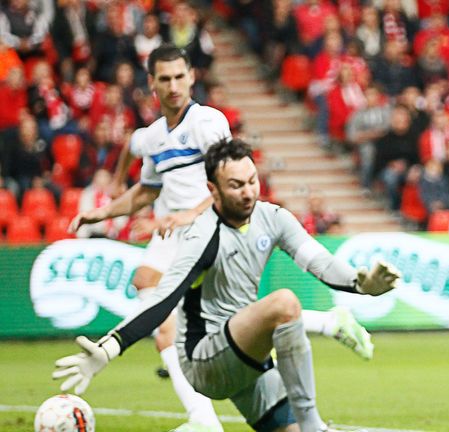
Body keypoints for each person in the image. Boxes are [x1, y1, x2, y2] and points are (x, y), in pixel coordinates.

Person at [69, 44, 375, 432]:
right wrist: (105, 210)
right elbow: (146, 190)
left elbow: (223, 176)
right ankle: (206, 416)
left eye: (180, 76)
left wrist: (190, 215)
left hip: (199, 225)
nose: (174, 85)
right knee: (156, 291)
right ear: (152, 83)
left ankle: (208, 417)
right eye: (165, 78)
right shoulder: (154, 137)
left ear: (192, 76)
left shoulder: (207, 123)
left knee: (190, 312)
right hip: (179, 233)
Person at [54, 138, 402, 432]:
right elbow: (162, 300)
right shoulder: (202, 235)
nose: (248, 192)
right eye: (236, 185)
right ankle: (315, 426)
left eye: (252, 180)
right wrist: (111, 346)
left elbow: (320, 261)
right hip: (204, 359)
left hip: (246, 357)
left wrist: (362, 283)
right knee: (284, 304)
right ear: (213, 190)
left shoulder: (273, 217)